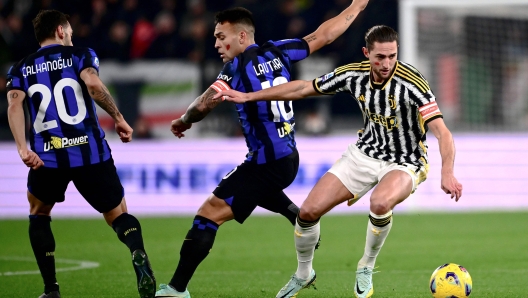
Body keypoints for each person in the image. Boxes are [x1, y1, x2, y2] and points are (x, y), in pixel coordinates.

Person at [216, 25, 463, 298]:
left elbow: (442, 131)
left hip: (406, 160)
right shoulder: (352, 74)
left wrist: (447, 172)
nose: (387, 63)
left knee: (380, 203)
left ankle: (366, 267)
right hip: (364, 153)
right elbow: (302, 89)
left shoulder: (412, 82)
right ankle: (303, 274)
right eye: (380, 57)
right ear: (366, 53)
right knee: (307, 212)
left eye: (392, 56)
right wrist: (249, 96)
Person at [155, 2, 370, 297]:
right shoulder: (278, 51)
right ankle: (292, 212)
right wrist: (356, 5)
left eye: (221, 36)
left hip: (266, 162)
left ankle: (176, 289)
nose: (216, 43)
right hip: (286, 157)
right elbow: (323, 36)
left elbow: (204, 103)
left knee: (208, 215)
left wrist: (183, 120)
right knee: (251, 186)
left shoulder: (236, 68)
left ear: (242, 36)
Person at [6, 10, 156, 298]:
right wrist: (120, 118)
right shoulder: (81, 55)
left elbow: (14, 107)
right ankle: (136, 250)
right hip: (91, 154)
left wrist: (23, 149)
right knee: (118, 214)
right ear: (61, 31)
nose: (71, 35)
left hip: (47, 158)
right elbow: (93, 85)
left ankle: (51, 290)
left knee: (38, 214)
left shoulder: (20, 68)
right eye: (70, 31)